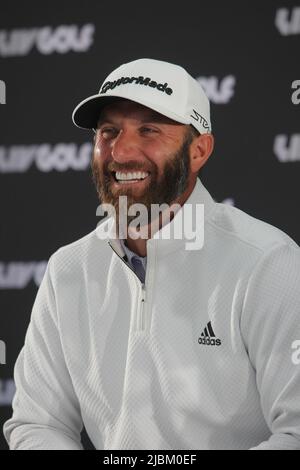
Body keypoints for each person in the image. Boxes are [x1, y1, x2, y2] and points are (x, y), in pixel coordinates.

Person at [3, 58, 300, 450]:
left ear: (199, 150)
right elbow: (37, 424)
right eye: (109, 131)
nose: (121, 151)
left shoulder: (267, 263)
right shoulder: (68, 269)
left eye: (149, 130)